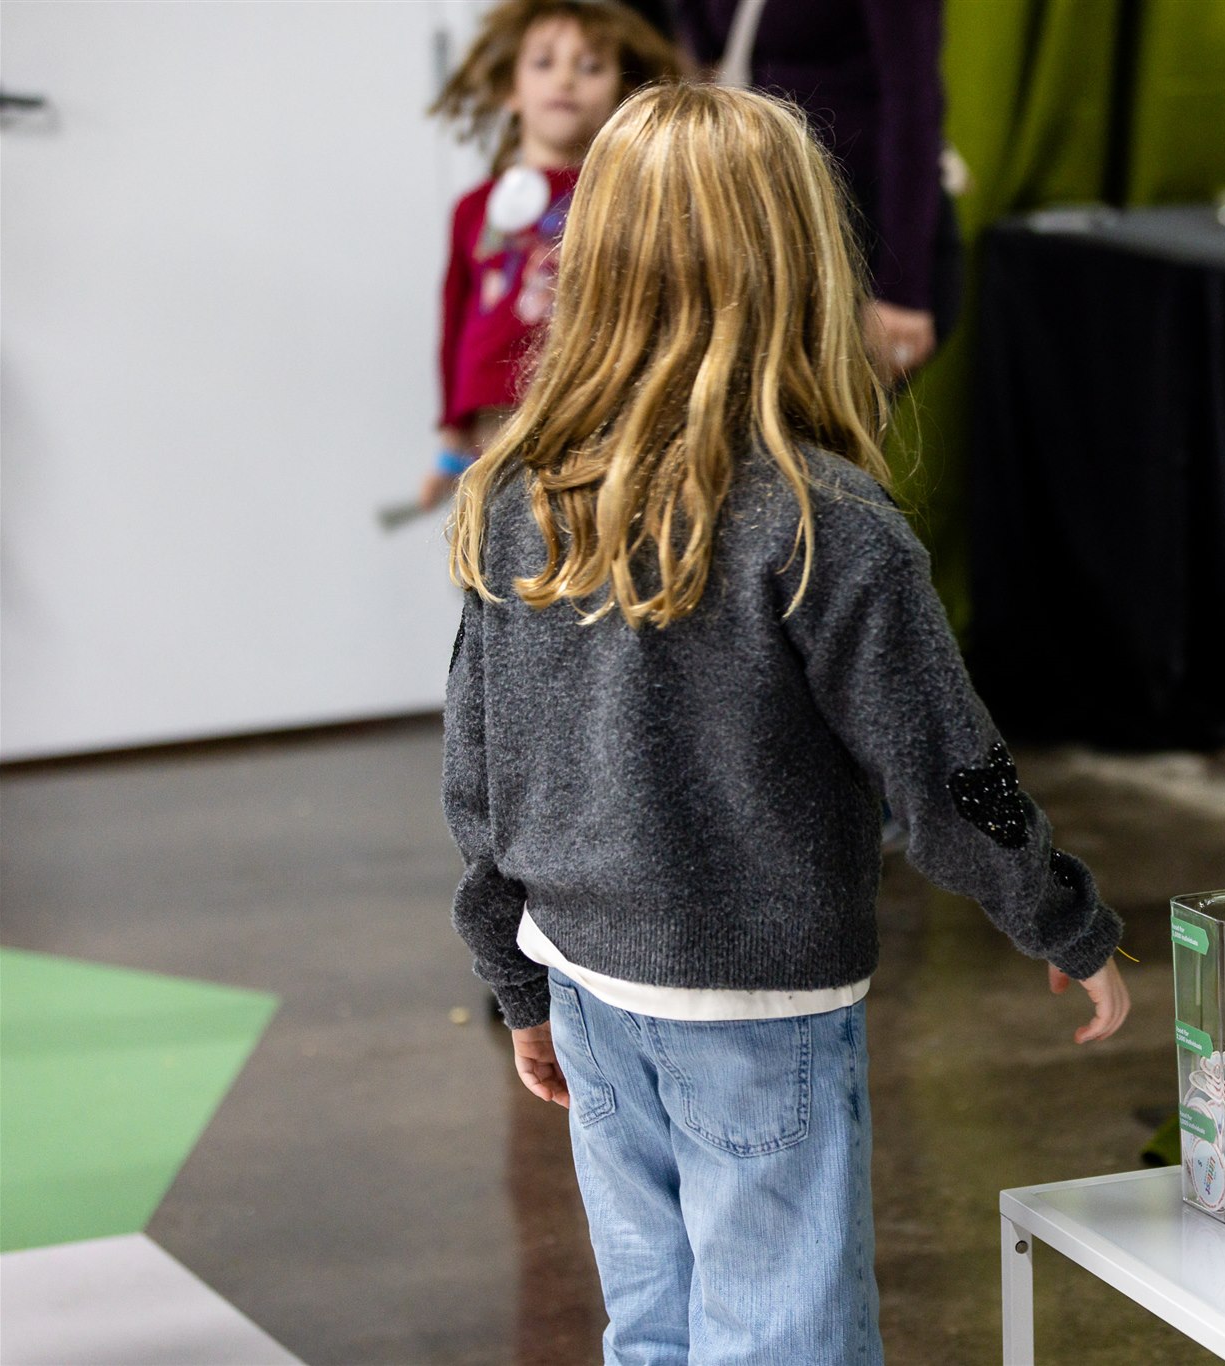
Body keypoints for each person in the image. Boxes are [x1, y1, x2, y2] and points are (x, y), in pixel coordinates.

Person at [441, 84, 1130, 1363]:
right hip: (755, 1007)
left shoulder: (520, 494)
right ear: (801, 264)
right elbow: (949, 773)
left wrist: (513, 975)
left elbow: (477, 775)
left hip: (582, 979)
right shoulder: (827, 524)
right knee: (781, 1336)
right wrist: (1062, 918)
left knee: (651, 1324)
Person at [422, 0, 678, 510]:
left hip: (596, 414)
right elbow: (454, 319)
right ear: (511, 90)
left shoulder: (627, 199)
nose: (565, 80)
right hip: (494, 423)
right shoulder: (473, 208)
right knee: (503, 544)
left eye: (591, 67)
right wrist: (451, 446)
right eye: (544, 63)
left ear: (622, 96)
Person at [670, 0, 958, 387]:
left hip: (865, 232)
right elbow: (707, 45)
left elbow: (913, 106)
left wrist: (902, 289)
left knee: (814, 416)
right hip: (766, 220)